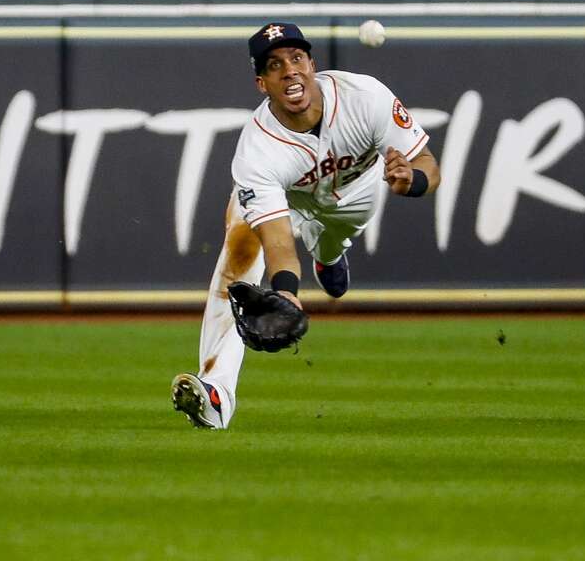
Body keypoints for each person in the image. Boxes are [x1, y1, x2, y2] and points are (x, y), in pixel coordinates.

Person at [171, 22, 440, 429]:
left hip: (356, 196)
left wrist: (412, 180)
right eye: (275, 65)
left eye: (297, 58)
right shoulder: (256, 152)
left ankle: (330, 255)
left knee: (331, 243)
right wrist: (286, 294)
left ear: (313, 64)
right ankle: (216, 395)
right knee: (241, 251)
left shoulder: (364, 97)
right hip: (289, 202)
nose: (289, 70)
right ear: (262, 83)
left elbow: (429, 167)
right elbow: (278, 243)